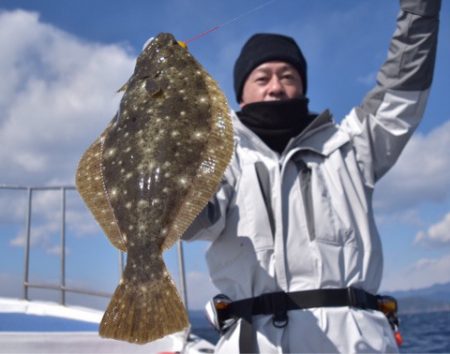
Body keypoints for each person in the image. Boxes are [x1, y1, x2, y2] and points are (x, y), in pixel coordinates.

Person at [183, 0, 441, 352]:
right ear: (240, 95)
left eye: (288, 76)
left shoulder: (352, 144)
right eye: (262, 78)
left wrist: (419, 10)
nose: (275, 87)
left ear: (303, 87)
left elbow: (402, 85)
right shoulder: (220, 159)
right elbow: (191, 221)